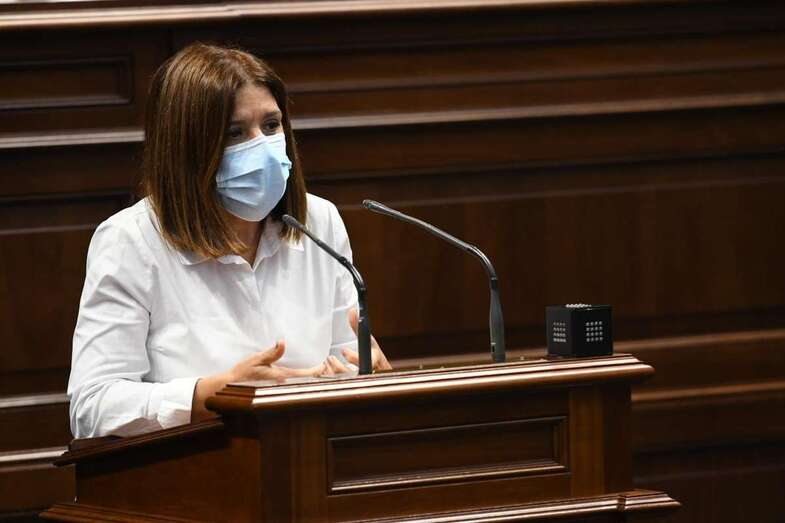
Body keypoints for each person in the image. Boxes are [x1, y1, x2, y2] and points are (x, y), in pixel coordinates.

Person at [67, 43, 391, 439]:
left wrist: (367, 376)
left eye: (271, 126)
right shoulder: (130, 242)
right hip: (191, 477)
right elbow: (92, 408)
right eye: (235, 133)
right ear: (189, 149)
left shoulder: (317, 222)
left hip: (310, 465)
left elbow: (345, 362)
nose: (264, 147)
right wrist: (212, 394)